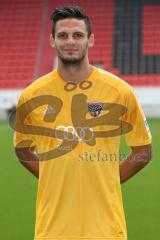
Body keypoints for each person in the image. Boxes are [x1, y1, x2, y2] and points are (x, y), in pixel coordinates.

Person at [14, 6, 152, 240]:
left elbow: (143, 151)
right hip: (52, 230)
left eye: (78, 35)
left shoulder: (119, 91)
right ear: (52, 40)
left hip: (106, 229)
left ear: (90, 40)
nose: (70, 41)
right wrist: (51, 178)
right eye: (63, 35)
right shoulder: (31, 96)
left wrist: (108, 181)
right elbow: (23, 150)